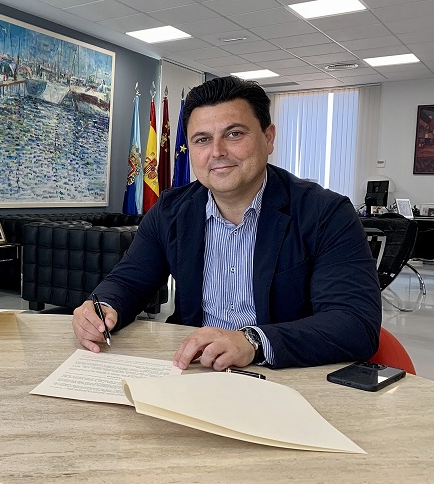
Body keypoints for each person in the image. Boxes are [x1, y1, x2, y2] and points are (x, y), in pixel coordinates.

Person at [72, 76, 381, 370]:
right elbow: (129, 281)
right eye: (202, 139)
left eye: (234, 134)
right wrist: (103, 308)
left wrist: (253, 341)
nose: (217, 152)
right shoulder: (171, 210)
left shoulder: (326, 213)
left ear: (268, 138)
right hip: (193, 368)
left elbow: (355, 323)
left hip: (284, 374)